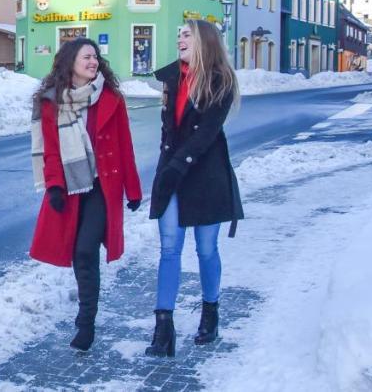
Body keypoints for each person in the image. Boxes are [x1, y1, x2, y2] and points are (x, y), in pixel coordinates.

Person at [30, 37, 143, 351]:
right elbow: (50, 150)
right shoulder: (51, 101)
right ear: (71, 63)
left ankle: (85, 322)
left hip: (102, 188)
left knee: (84, 251)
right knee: (77, 252)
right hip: (70, 187)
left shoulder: (111, 99)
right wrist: (53, 186)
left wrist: (132, 189)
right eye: (86, 57)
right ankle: (86, 319)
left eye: (95, 57)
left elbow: (125, 146)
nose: (93, 62)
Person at [145, 19, 245, 357]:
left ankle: (210, 313)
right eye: (178, 34)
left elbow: (205, 136)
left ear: (204, 40)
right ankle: (163, 329)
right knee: (170, 248)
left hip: (206, 177)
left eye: (186, 34)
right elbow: (167, 132)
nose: (179, 39)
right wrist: (165, 171)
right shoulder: (172, 78)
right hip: (172, 176)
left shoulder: (221, 82)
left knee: (205, 249)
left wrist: (176, 168)